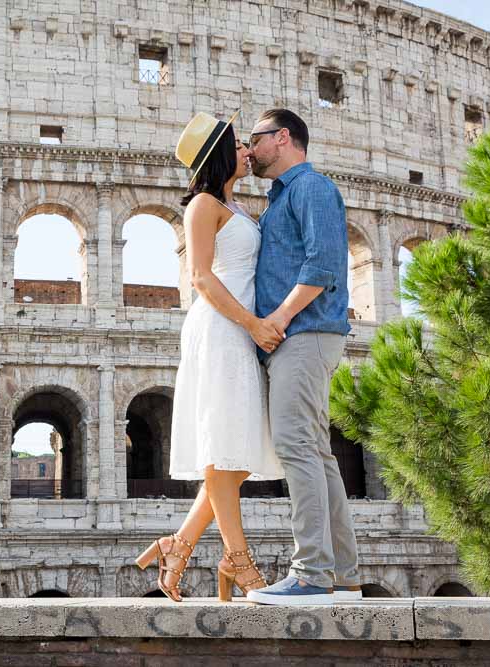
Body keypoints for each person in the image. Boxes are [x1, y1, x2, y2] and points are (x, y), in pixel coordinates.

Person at [135, 111, 286, 602]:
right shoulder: (201, 204)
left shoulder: (235, 206)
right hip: (222, 328)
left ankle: (178, 545)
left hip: (240, 327)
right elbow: (200, 277)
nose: (248, 150)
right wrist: (252, 324)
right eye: (239, 144)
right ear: (221, 153)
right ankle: (237, 558)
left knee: (234, 458)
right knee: (224, 451)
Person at [244, 109, 361, 606]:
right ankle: (345, 575)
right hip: (302, 334)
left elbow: (324, 264)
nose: (249, 151)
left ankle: (312, 573)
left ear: (283, 137)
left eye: (255, 140)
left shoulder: (311, 188)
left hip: (305, 332)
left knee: (295, 445)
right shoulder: (283, 198)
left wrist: (279, 320)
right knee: (316, 452)